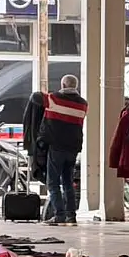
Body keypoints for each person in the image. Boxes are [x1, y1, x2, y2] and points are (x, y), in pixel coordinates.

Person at [41, 74, 87, 225]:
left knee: (53, 183)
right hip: (73, 148)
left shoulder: (53, 99)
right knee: (68, 182)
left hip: (57, 147)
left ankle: (59, 216)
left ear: (63, 85)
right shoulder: (83, 104)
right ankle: (71, 216)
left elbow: (36, 98)